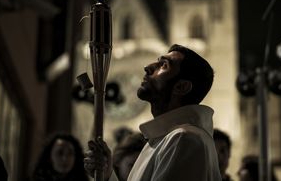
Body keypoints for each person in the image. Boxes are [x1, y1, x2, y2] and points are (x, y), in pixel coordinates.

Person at [84, 44, 221, 181]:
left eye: (164, 65)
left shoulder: (184, 139)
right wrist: (108, 176)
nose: (147, 67)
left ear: (181, 87)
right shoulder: (165, 138)